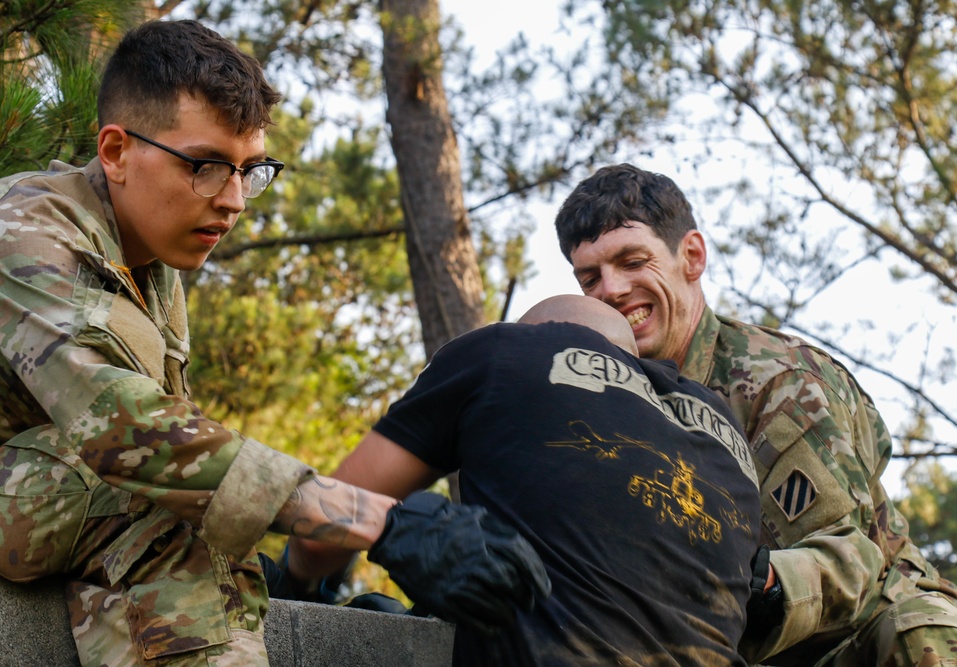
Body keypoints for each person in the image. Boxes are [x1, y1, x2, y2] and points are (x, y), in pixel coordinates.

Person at [0, 19, 548, 666]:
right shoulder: (23, 230)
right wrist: (376, 520)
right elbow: (129, 433)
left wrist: (279, 579)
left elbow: (176, 441)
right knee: (161, 499)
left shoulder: (151, 261)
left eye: (249, 171)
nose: (234, 201)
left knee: (207, 520)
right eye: (206, 167)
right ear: (116, 152)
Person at [553, 163, 957, 666]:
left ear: (691, 257)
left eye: (633, 261)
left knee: (920, 635)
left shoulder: (777, 384)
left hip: (858, 641)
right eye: (590, 278)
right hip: (727, 653)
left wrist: (745, 579)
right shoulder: (603, 405)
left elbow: (850, 563)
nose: (612, 290)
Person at [288, 294, 763, 666]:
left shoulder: (506, 350)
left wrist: (299, 583)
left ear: (538, 331)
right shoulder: (730, 441)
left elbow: (321, 535)